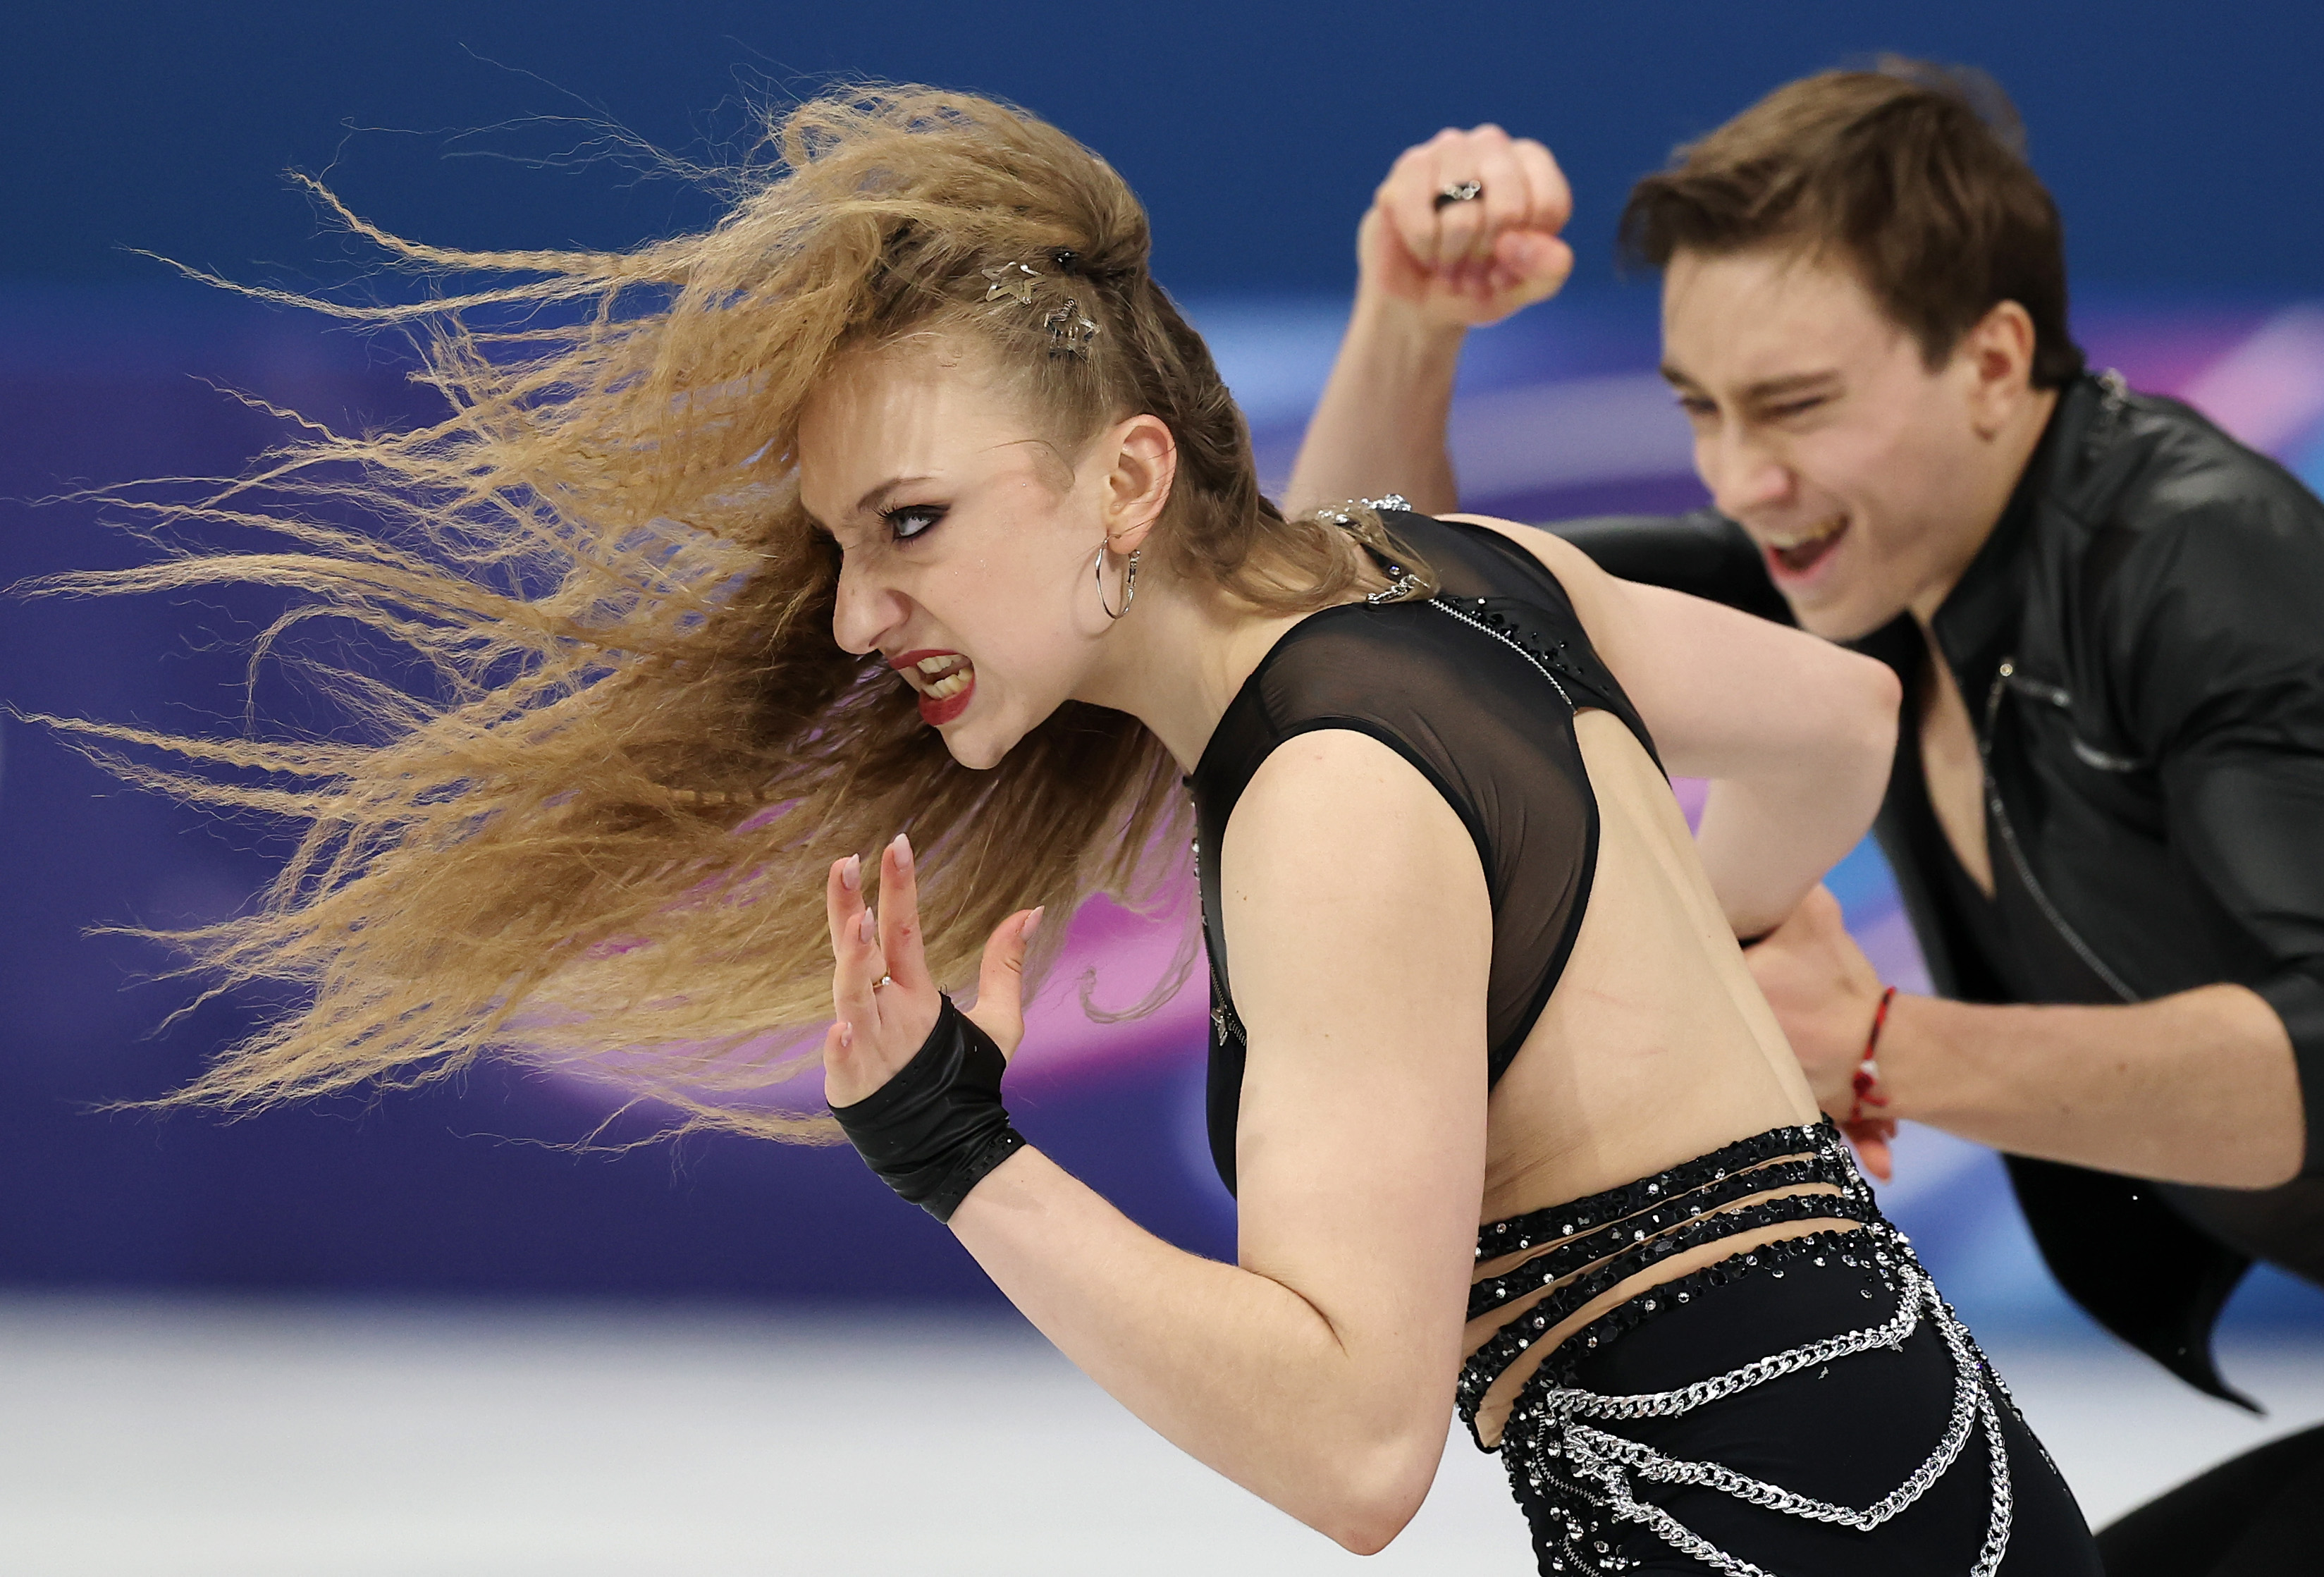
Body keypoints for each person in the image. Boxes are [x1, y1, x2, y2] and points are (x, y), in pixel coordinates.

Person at [51, 87, 2102, 1573]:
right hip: (1947, 1492)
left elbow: (1353, 1448)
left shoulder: (1325, 801)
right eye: (847, 549)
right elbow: (1839, 725)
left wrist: (959, 1156)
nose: (858, 614)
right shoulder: (1458, 577)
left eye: (911, 523)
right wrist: (1701, 969)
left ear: (1128, 480)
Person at [1291, 61, 2324, 1574]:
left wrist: (1878, 1046)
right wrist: (1408, 319)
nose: (1741, 476)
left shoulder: (2198, 564)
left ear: (1991, 361)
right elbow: (1384, 635)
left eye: (1793, 406)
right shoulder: (1862, 568)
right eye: (1700, 410)